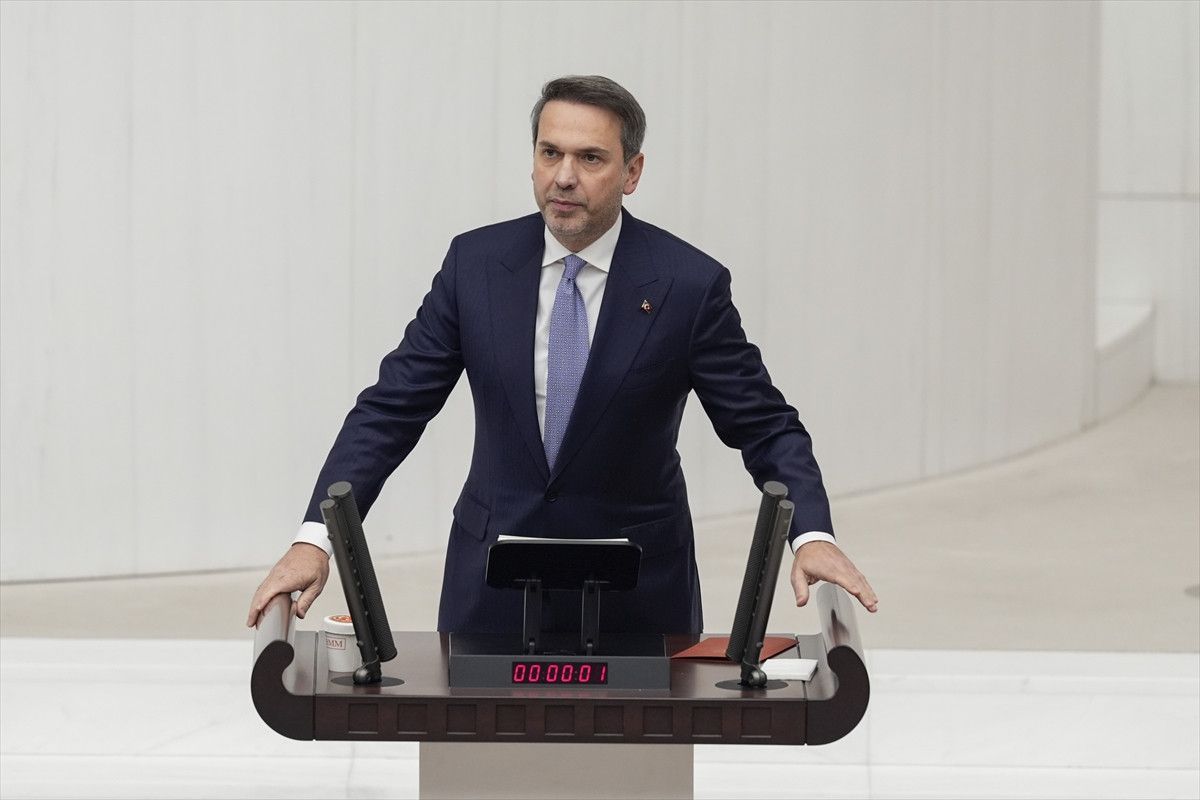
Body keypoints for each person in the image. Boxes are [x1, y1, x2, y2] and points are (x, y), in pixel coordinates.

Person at [246, 75, 877, 634]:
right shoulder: (475, 267)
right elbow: (391, 409)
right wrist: (316, 538)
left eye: (590, 157)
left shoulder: (688, 285)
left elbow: (764, 425)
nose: (564, 176)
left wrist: (812, 533)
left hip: (637, 597)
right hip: (490, 589)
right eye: (550, 153)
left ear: (632, 172)